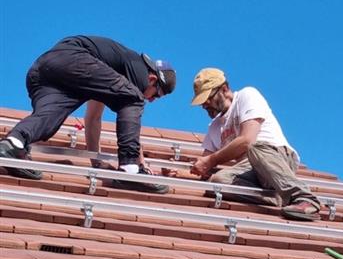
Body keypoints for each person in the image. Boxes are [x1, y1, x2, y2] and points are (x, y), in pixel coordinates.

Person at [0, 35, 176, 194]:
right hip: (74, 58)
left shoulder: (108, 75)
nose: (151, 100)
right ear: (152, 79)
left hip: (45, 68)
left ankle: (13, 143)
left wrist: (95, 161)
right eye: (156, 95)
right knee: (134, 99)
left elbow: (93, 118)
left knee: (49, 118)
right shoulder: (139, 71)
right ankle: (130, 170)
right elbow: (132, 108)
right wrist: (140, 165)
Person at [190, 68, 321, 220]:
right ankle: (276, 197)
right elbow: (205, 165)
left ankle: (305, 198)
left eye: (208, 98)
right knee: (216, 182)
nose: (204, 105)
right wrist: (183, 173)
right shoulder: (214, 127)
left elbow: (247, 140)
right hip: (249, 171)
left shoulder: (247, 95)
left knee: (255, 148)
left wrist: (211, 160)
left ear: (224, 89)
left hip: (274, 157)